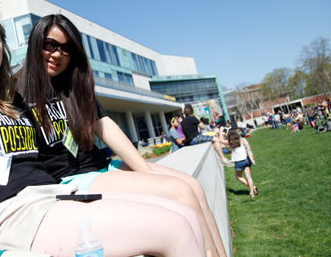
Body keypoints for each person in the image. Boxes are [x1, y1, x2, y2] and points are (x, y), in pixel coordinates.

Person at [0, 5, 205, 257]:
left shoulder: (11, 99)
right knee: (176, 227)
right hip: (7, 214)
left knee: (182, 212)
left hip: (54, 195)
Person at [18, 14, 226, 257]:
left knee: (193, 186)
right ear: (35, 43)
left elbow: (106, 127)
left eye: (66, 49)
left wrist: (147, 173)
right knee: (180, 193)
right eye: (50, 44)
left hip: (101, 169)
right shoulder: (16, 92)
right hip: (70, 181)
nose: (56, 54)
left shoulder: (73, 86)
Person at [227, 130, 258, 198]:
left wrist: (220, 131)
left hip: (239, 162)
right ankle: (252, 192)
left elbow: (220, 140)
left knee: (238, 177)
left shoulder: (230, 142)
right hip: (246, 159)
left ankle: (253, 187)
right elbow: (249, 147)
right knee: (248, 177)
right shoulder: (242, 139)